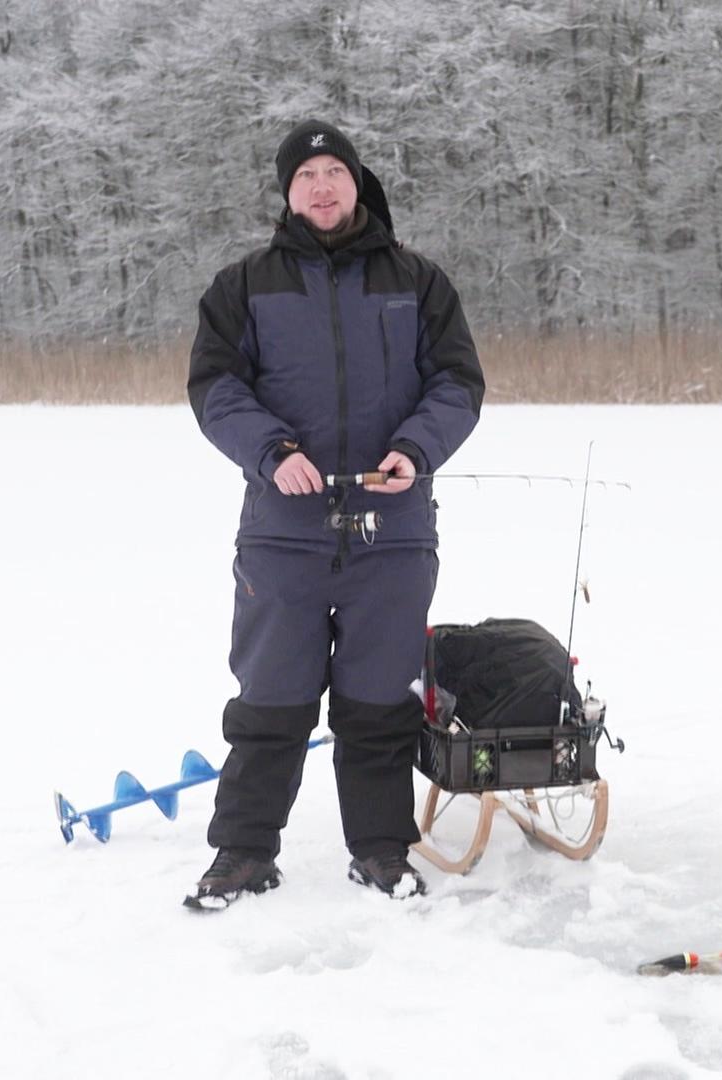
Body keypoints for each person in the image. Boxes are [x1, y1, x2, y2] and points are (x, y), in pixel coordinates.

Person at [182, 120, 484, 909]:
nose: (321, 186)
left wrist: (416, 450)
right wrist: (271, 451)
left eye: (334, 172)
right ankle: (243, 855)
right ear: (287, 191)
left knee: (379, 702)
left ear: (358, 182)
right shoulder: (242, 286)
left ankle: (382, 852)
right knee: (269, 701)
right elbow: (216, 390)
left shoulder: (418, 280)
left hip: (394, 528)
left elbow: (457, 384)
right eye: (306, 174)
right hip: (285, 532)